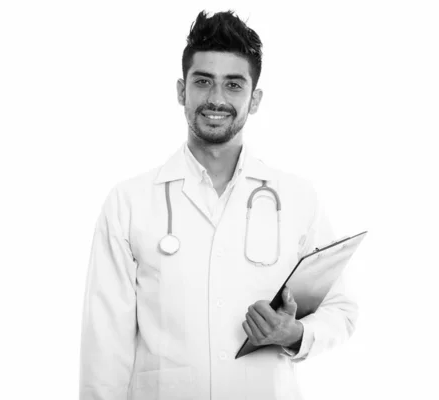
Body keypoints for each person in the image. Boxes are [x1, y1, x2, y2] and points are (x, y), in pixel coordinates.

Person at [79, 10, 358, 400]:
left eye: (233, 85)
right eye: (203, 82)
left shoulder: (298, 198)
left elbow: (340, 309)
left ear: (254, 99)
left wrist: (295, 334)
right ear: (181, 91)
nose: (216, 99)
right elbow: (104, 346)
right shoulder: (129, 202)